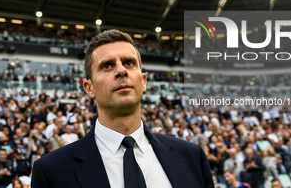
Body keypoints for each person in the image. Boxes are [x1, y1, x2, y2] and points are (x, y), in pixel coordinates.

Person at [31, 29, 214, 188]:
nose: (121, 71)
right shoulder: (52, 171)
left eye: (128, 63)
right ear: (89, 88)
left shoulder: (192, 157)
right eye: (107, 65)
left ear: (143, 82)